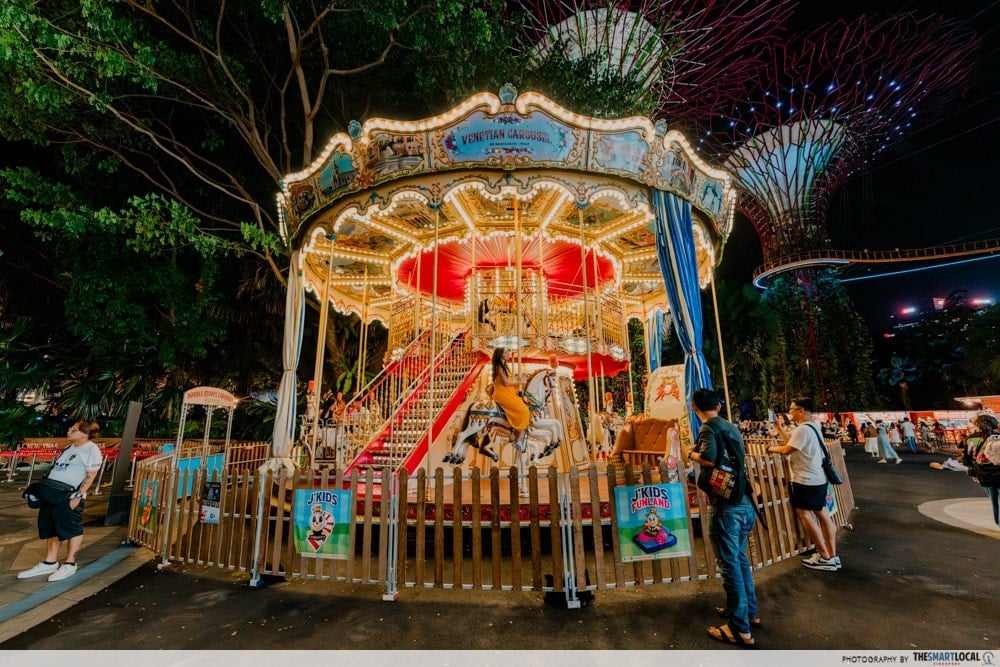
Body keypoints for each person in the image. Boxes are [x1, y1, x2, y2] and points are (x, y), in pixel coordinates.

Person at [688, 388, 759, 648]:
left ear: (694, 407)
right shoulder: (731, 426)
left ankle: (740, 630)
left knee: (730, 567)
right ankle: (748, 612)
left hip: (726, 506)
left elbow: (708, 459)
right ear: (718, 405)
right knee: (739, 561)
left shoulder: (708, 428)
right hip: (744, 503)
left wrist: (691, 453)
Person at [18, 420, 104, 582]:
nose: (69, 431)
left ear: (85, 434)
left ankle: (70, 563)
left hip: (69, 496)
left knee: (71, 528)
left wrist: (78, 496)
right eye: (71, 428)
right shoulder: (69, 448)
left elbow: (91, 475)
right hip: (52, 495)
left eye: (74, 429)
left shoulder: (91, 450)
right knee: (51, 527)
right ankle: (50, 562)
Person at [768, 397, 841, 572]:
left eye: (792, 409)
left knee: (805, 514)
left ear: (801, 410)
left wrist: (770, 449)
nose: (789, 412)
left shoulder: (802, 429)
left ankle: (824, 556)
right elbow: (791, 442)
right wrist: (779, 428)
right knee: (823, 514)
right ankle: (831, 555)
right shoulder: (812, 426)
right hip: (818, 478)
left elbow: (787, 449)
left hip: (806, 480)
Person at [962, 414, 1000, 525]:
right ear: (994, 424)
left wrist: (972, 472)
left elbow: (967, 459)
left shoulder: (971, 438)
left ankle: (997, 522)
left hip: (983, 473)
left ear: (977, 424)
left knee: (993, 499)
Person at [491, 347, 531, 442]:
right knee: (523, 410)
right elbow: (505, 383)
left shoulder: (503, 366)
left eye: (508, 351)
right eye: (505, 352)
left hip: (506, 391)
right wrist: (518, 382)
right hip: (502, 393)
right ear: (500, 355)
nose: (508, 353)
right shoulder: (499, 367)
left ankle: (515, 430)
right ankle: (518, 434)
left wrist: (517, 384)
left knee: (522, 403)